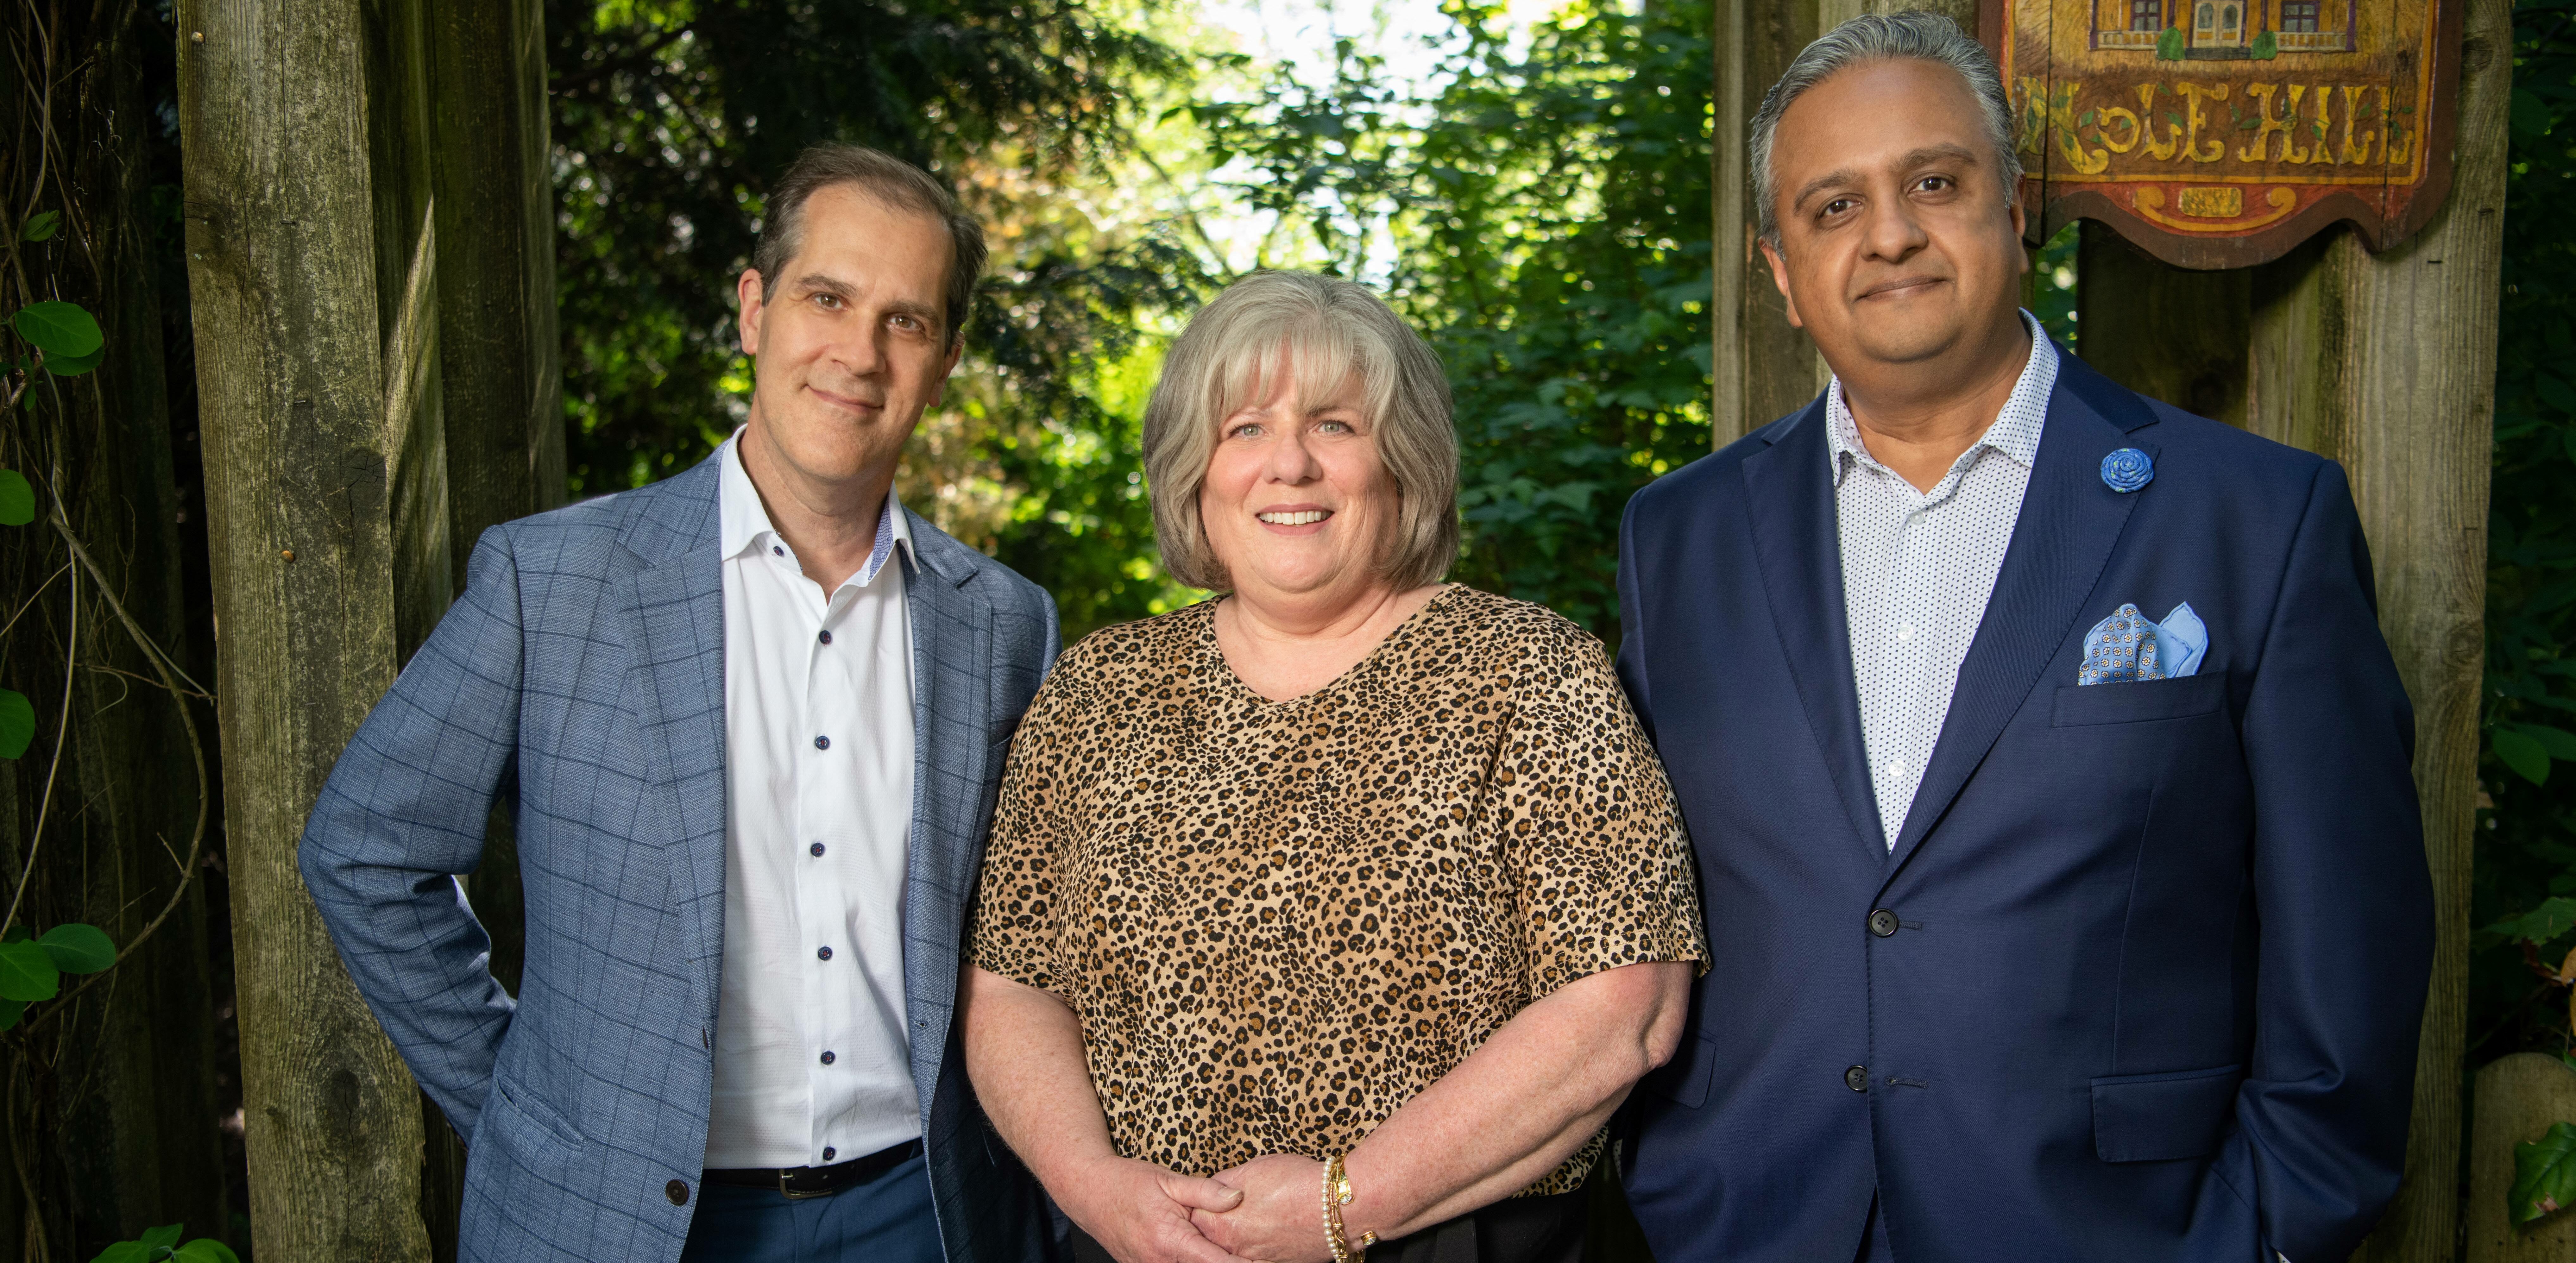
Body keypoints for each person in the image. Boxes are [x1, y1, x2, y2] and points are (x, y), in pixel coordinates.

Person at [1612, 14, 2432, 1263]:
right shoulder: (1679, 538)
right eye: (1833, 207)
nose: (1888, 232)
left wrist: (2257, 1236)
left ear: (2013, 210)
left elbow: (2350, 955)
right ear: (1778, 269)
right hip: (1752, 1220)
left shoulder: (2253, 518)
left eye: (1932, 182)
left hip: (2112, 1231)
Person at [299, 144, 1061, 1263]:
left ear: (945, 359)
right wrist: (529, 1112)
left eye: (905, 321)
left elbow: (1037, 939)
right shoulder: (551, 582)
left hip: (928, 1214)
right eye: (827, 298)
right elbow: (365, 850)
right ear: (755, 310)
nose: (858, 351)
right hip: (624, 1224)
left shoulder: (1004, 624)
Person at [961, 270, 1707, 1263]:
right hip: (1140, 1248)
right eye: (1246, 430)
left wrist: (1345, 1205)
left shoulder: (1526, 672)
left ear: (1403, 462)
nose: (1291, 466)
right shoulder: (1101, 688)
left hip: (1453, 1245)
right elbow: (1011, 984)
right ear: (1195, 467)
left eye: (1336, 426)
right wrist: (1092, 1187)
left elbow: (1627, 1007)